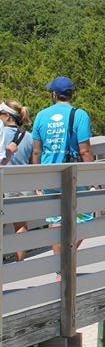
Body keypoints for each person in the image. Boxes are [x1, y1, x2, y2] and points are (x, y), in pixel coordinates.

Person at [31, 76, 96, 257]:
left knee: (55, 218)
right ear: (70, 94)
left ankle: (59, 267)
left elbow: (36, 151)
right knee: (84, 216)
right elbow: (85, 151)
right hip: (75, 174)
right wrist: (94, 178)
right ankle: (66, 258)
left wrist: (36, 179)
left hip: (48, 173)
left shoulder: (41, 116)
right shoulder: (80, 115)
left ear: (54, 94)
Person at [1, 99, 35, 262]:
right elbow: (33, 161)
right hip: (24, 184)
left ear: (7, 116)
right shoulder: (29, 137)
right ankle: (20, 263)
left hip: (4, 183)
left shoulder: (1, 134)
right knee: (20, 225)